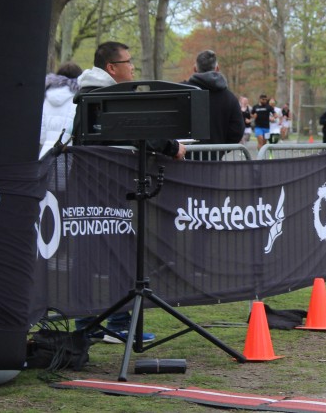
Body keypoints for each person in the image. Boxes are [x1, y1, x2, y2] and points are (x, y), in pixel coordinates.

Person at [71, 41, 185, 343]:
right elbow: (136, 130)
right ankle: (117, 325)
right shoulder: (107, 96)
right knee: (119, 254)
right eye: (128, 62)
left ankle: (88, 324)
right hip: (105, 188)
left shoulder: (88, 93)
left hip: (91, 185)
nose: (133, 67)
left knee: (91, 254)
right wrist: (172, 146)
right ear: (111, 67)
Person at [185, 50, 244, 146]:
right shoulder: (230, 98)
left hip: (184, 153)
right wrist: (220, 147)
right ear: (217, 68)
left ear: (195, 68)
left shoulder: (180, 91)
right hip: (216, 153)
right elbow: (237, 131)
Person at [39, 61, 81, 158]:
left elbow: (41, 135)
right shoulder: (78, 99)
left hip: (45, 154)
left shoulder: (46, 99)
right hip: (68, 154)